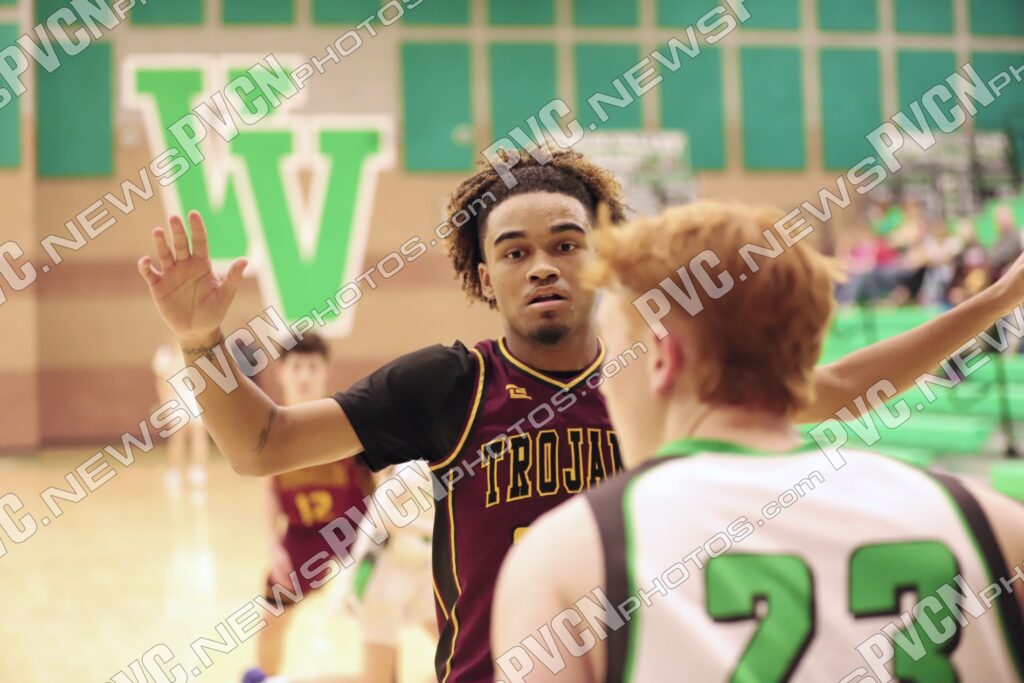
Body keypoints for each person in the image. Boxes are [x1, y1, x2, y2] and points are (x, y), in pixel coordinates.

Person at [137, 150, 1024, 683]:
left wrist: (993, 301)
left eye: (567, 244)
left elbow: (840, 385)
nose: (542, 265)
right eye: (514, 251)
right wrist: (200, 338)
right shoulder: (447, 385)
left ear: (601, 258)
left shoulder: (665, 380)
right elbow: (261, 443)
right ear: (484, 275)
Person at [492, 201, 1024, 682]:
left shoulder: (570, 559)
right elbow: (840, 387)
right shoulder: (994, 525)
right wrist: (1000, 298)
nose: (606, 379)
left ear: (661, 358)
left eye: (614, 353)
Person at [246, 334, 376, 679]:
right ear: (281, 372)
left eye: (313, 367)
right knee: (271, 618)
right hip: (302, 536)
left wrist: (381, 538)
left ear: (326, 371)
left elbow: (380, 475)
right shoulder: (269, 427)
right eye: (297, 367)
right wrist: (272, 545)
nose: (304, 375)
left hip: (355, 531)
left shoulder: (346, 417)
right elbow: (269, 490)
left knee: (384, 617)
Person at [152, 340, 209, 496]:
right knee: (177, 435)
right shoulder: (165, 353)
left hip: (194, 396)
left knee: (198, 433)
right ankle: (175, 471)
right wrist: (164, 401)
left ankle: (198, 471)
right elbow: (160, 380)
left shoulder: (196, 349)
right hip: (175, 398)